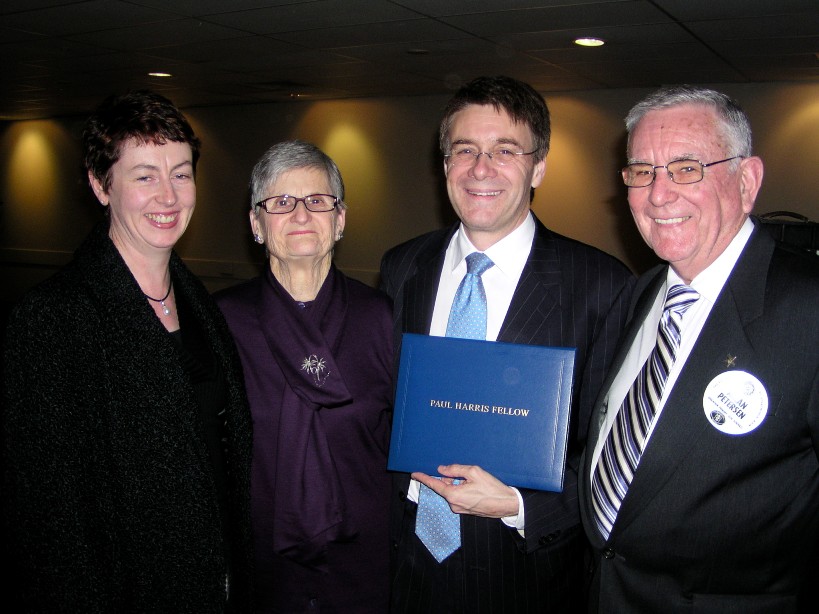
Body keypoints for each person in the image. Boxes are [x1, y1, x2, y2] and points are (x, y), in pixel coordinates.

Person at [380, 75, 635, 613]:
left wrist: (519, 505)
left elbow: (611, 458)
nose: (481, 168)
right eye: (465, 149)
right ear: (444, 163)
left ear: (538, 166)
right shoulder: (402, 267)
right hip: (401, 563)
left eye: (505, 150)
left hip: (523, 574)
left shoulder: (601, 286)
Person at [1, 90, 253, 611]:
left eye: (181, 173)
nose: (168, 196)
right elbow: (49, 521)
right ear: (100, 186)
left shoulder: (200, 305)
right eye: (144, 176)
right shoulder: (53, 319)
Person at [578, 85, 819, 612]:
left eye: (687, 168)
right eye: (642, 171)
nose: (658, 194)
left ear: (747, 180)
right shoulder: (640, 294)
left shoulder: (809, 308)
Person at [215, 140, 393, 613]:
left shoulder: (382, 318)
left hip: (367, 564)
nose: (300, 215)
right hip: (260, 566)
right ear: (256, 224)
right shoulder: (221, 323)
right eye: (280, 203)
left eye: (317, 201)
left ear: (340, 220)